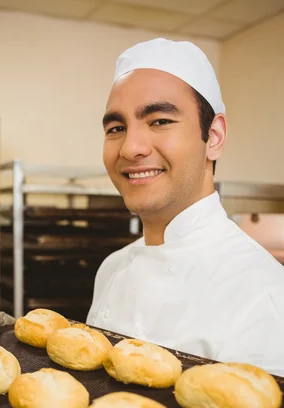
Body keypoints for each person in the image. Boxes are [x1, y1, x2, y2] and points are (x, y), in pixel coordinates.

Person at [86, 38, 284, 376]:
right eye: (116, 128)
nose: (131, 147)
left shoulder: (264, 297)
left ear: (215, 136)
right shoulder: (111, 269)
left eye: (160, 121)